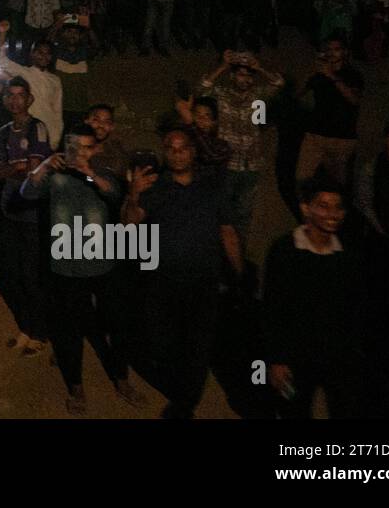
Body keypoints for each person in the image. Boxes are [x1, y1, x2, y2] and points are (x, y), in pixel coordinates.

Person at [121, 127, 243, 418]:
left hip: (204, 283)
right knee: (160, 346)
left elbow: (228, 232)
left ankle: (184, 405)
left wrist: (238, 277)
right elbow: (128, 225)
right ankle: (181, 392)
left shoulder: (212, 186)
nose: (177, 154)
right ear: (165, 151)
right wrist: (134, 194)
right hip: (163, 284)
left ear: (193, 151)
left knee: (198, 347)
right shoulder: (155, 186)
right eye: (171, 148)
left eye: (183, 148)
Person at [40, 125, 138, 414]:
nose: (80, 152)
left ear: (95, 149)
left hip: (102, 264)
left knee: (116, 325)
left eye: (86, 147)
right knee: (69, 331)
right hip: (65, 266)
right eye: (75, 147)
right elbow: (26, 190)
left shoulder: (103, 174)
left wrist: (88, 171)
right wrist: (45, 165)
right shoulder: (55, 174)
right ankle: (76, 388)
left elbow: (114, 194)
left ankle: (121, 379)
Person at [262, 180, 365, 418]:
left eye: (338, 207)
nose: (332, 214)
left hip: (336, 357)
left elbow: (353, 307)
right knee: (293, 412)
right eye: (324, 206)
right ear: (306, 208)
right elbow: (273, 307)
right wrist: (277, 360)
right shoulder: (285, 251)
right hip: (295, 358)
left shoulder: (348, 256)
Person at [0, 76, 53, 354]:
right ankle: (26, 327)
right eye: (9, 96)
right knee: (14, 273)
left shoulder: (38, 128)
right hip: (9, 211)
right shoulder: (3, 132)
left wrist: (13, 169)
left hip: (32, 213)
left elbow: (35, 171)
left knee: (31, 275)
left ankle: (40, 332)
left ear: (29, 99)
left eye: (19, 95)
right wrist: (18, 168)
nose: (14, 100)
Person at [198, 49, 283, 240]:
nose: (244, 79)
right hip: (227, 164)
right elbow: (203, 87)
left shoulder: (258, 96)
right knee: (222, 211)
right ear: (232, 76)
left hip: (251, 165)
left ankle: (239, 251)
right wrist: (223, 66)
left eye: (248, 76)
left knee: (244, 214)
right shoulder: (221, 95)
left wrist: (259, 68)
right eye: (240, 74)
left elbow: (277, 83)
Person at [295, 34, 363, 189]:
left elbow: (354, 99)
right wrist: (311, 72)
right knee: (302, 179)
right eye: (328, 50)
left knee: (338, 185)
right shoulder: (319, 74)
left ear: (345, 52)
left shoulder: (353, 75)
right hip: (316, 135)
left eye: (337, 49)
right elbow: (298, 94)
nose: (332, 53)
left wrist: (331, 76)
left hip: (342, 138)